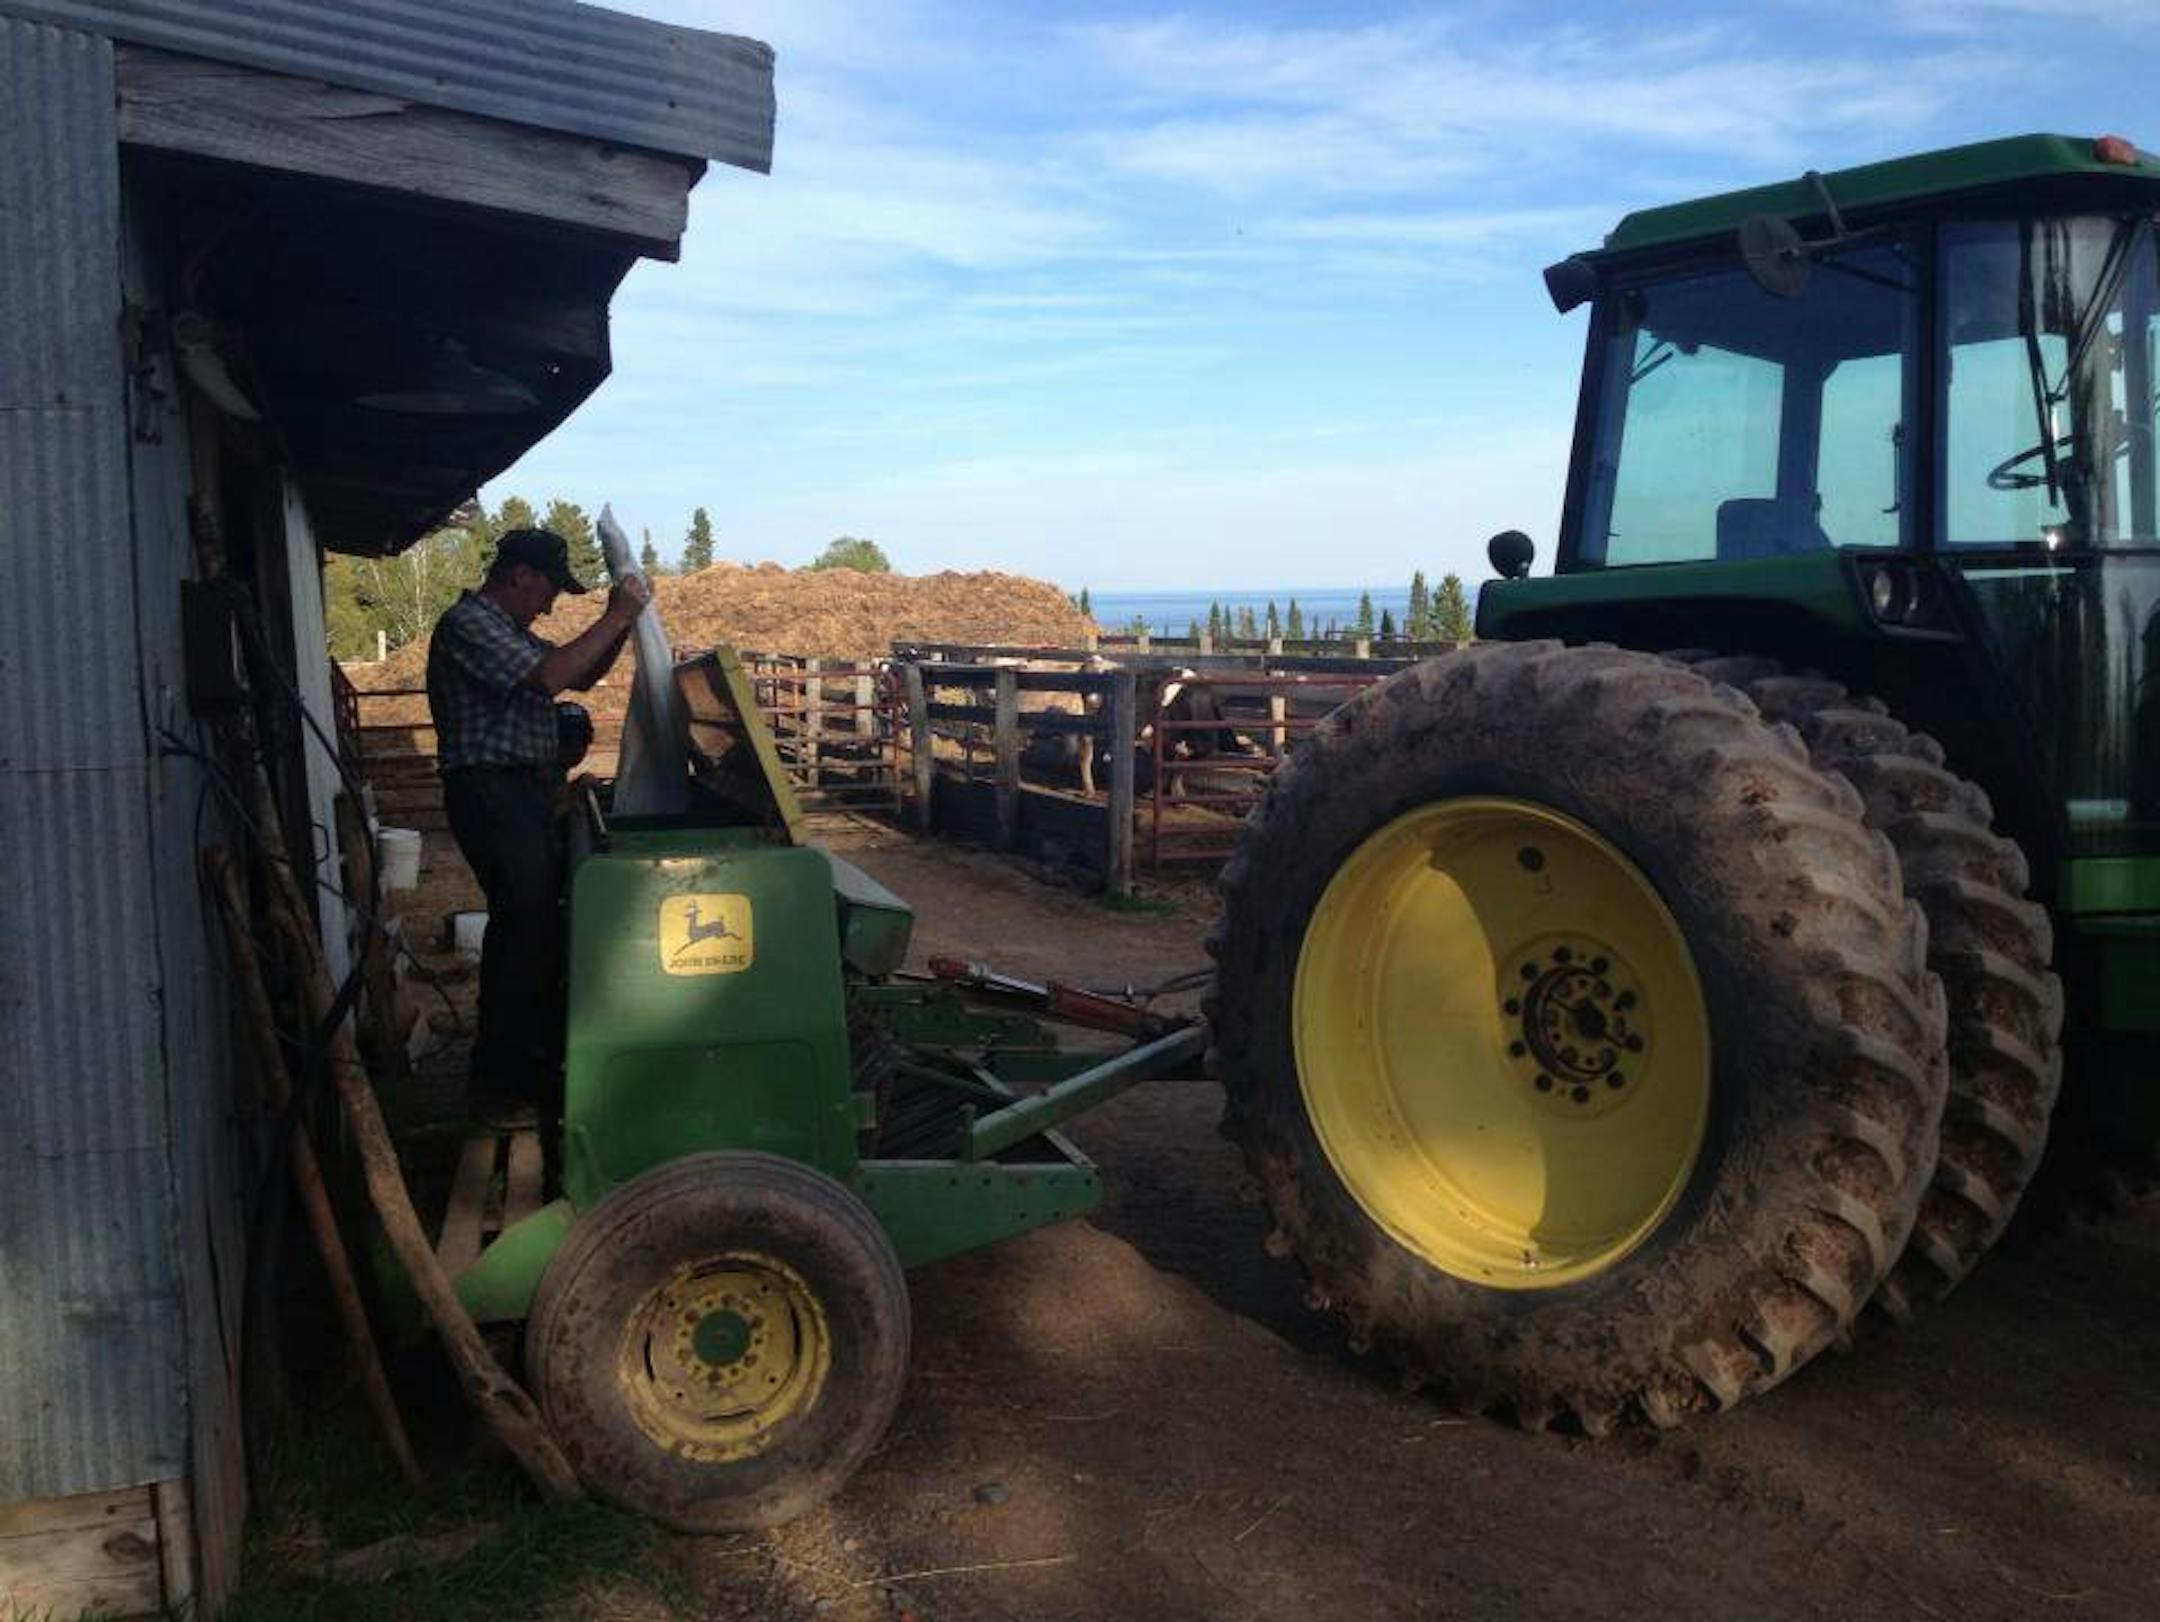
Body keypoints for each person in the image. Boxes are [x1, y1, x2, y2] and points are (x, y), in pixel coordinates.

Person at [426, 527, 651, 1116]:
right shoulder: (469, 624)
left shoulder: (507, 631)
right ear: (520, 574)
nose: (550, 603)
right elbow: (554, 675)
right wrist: (616, 614)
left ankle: (526, 1061)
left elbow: (580, 674)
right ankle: (503, 1080)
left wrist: (619, 622)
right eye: (549, 588)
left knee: (535, 927)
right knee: (525, 928)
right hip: (493, 793)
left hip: (521, 792)